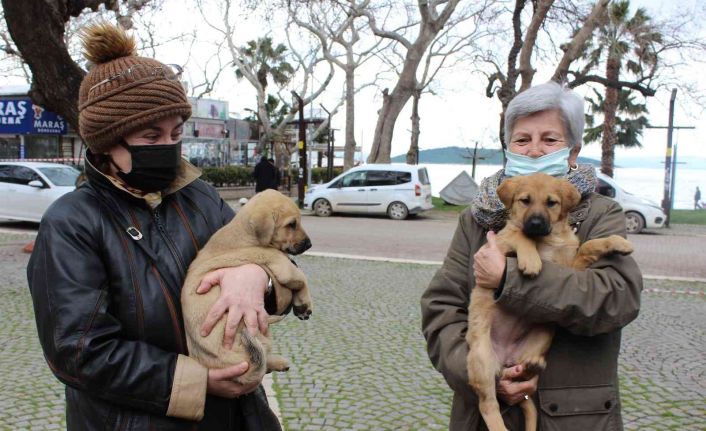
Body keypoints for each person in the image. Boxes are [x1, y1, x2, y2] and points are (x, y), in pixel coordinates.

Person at [27, 23, 281, 430]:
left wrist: (258, 275)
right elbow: (78, 351)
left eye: (176, 133)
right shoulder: (71, 223)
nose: (168, 146)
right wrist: (195, 383)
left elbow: (268, 262)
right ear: (107, 142)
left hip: (238, 418)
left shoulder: (201, 197)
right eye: (150, 136)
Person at [421, 81, 643, 430]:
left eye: (550, 139)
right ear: (508, 149)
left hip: (573, 417)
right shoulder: (476, 218)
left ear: (572, 152)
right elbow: (441, 309)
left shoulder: (601, 214)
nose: (535, 151)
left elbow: (617, 298)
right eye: (522, 140)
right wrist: (483, 374)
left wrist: (509, 280)